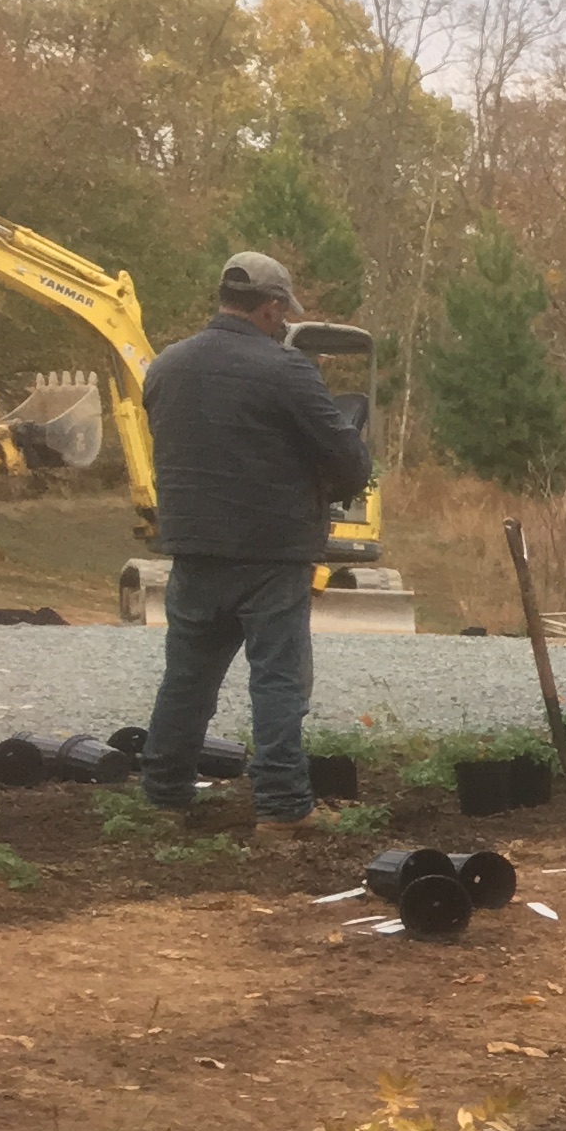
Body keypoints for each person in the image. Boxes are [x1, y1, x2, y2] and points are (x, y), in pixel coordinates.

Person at [136, 251, 374, 830]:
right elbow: (350, 458)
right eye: (281, 314)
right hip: (271, 553)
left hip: (193, 548)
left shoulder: (166, 366)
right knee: (278, 680)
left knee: (187, 680)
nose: (282, 323)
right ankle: (284, 808)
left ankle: (164, 796)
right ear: (270, 308)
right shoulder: (285, 370)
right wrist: (330, 490)